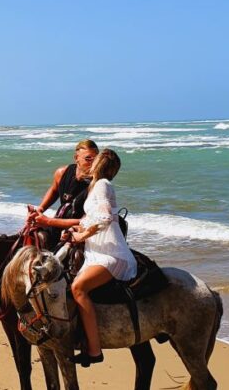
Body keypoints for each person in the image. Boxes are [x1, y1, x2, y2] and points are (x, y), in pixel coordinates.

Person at [64, 149, 137, 366]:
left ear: (100, 163)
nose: (90, 161)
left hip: (111, 253)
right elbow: (91, 217)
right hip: (95, 251)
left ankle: (95, 351)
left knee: (78, 288)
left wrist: (82, 236)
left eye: (95, 159)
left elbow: (105, 218)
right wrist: (75, 230)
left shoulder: (103, 184)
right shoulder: (95, 185)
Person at [26, 139, 99, 248]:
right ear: (76, 158)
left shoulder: (97, 184)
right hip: (58, 220)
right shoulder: (62, 172)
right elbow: (54, 190)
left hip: (78, 229)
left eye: (96, 159)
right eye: (88, 159)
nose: (93, 163)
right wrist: (40, 209)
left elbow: (85, 222)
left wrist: (47, 221)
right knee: (29, 235)